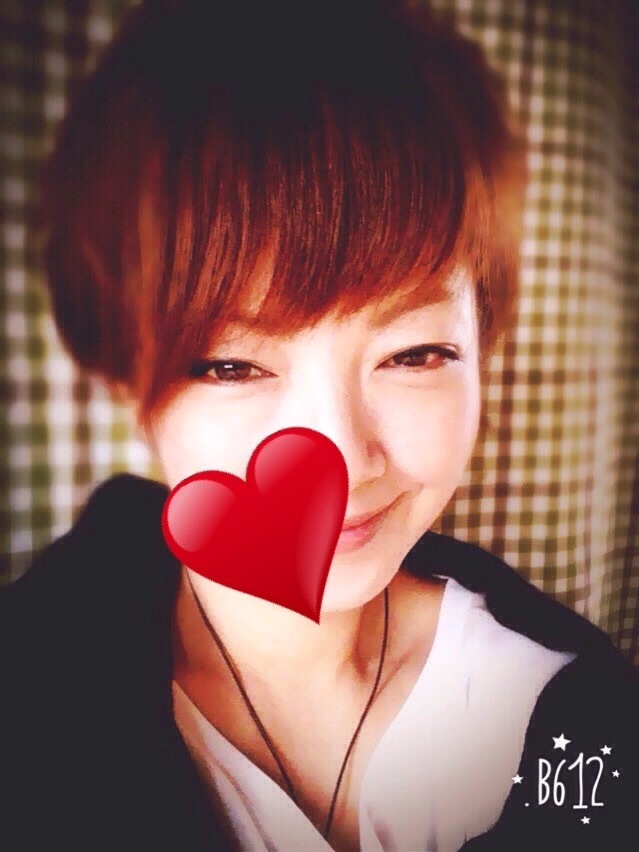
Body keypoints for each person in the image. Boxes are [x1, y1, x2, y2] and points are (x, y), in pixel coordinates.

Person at [1, 1, 636, 850]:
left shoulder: (579, 720)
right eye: (232, 366)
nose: (336, 460)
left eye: (413, 354)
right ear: (125, 378)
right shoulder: (27, 706)